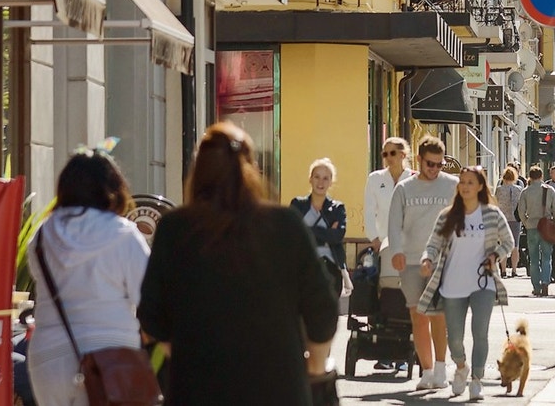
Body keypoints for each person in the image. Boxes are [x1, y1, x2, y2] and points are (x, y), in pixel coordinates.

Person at [139, 123, 339, 406]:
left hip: (196, 391)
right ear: (251, 170)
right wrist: (315, 368)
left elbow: (151, 316)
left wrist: (187, 357)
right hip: (279, 389)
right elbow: (323, 310)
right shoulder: (285, 225)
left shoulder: (175, 229)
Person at [26, 150, 152, 406]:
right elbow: (150, 300)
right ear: (115, 189)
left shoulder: (42, 235)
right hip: (111, 360)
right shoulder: (124, 235)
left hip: (48, 359)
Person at [415, 168, 513, 401]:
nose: (465, 186)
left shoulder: (492, 214)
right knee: (455, 338)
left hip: (483, 283)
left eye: (470, 182)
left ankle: (477, 380)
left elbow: (508, 242)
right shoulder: (448, 215)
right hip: (452, 284)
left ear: (480, 186)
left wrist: (495, 256)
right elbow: (433, 244)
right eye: (462, 182)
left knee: (480, 333)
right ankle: (461, 367)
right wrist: (427, 259)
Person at [386, 136, 459, 390]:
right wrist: (396, 251)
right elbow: (394, 222)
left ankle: (441, 369)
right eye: (430, 164)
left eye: (440, 165)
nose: (435, 169)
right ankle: (426, 371)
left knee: (438, 315)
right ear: (419, 159)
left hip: (442, 260)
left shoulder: (452, 185)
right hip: (411, 260)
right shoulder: (404, 189)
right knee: (417, 316)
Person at [363, 137, 411, 372]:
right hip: (383, 247)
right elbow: (369, 211)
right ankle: (383, 351)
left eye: (393, 153)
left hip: (408, 248)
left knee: (405, 296)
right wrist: (374, 239)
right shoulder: (376, 179)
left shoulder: (413, 179)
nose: (389, 158)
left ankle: (403, 353)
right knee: (383, 296)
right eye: (385, 154)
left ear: (403, 154)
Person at [290, 158, 347, 270]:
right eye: (317, 177)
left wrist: (306, 230)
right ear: (310, 179)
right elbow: (291, 234)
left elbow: (337, 236)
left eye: (325, 178)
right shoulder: (298, 205)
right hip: (301, 265)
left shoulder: (337, 208)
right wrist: (326, 233)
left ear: (331, 182)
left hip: (330, 267)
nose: (321, 182)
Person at [516, 166, 555, 297]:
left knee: (533, 259)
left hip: (532, 227)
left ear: (530, 176)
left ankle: (536, 286)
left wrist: (526, 223)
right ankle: (545, 281)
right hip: (546, 226)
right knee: (547, 256)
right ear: (541, 176)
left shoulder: (525, 191)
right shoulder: (549, 190)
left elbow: (520, 211)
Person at [492, 167, 524, 278]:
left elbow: (495, 203)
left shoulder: (499, 189)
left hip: (502, 219)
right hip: (515, 219)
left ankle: (504, 270)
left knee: (503, 244)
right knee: (515, 245)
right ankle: (514, 270)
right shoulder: (519, 189)